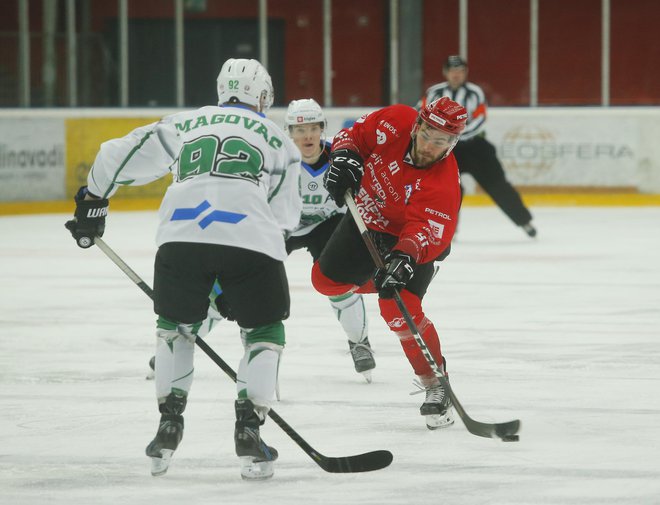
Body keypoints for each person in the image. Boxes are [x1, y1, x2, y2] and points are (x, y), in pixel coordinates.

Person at [64, 58, 302, 480]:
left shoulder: (186, 123)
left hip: (181, 237)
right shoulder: (282, 142)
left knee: (175, 328)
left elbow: (112, 156)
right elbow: (284, 219)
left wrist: (93, 203)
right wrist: (243, 277)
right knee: (264, 332)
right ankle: (249, 433)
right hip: (251, 241)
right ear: (263, 96)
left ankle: (167, 427)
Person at [311, 97, 467, 430]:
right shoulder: (394, 120)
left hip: (405, 241)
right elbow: (352, 136)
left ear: (452, 143)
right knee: (324, 281)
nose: (429, 146)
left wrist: (405, 257)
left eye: (441, 141)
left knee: (400, 309)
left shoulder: (442, 184)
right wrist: (345, 158)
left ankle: (435, 383)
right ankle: (379, 285)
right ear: (417, 125)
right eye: (427, 134)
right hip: (364, 218)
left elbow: (427, 232)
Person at [284, 98, 375, 382]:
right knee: (241, 274)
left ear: (323, 128)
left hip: (328, 224)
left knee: (337, 281)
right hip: (283, 226)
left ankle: (359, 342)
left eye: (313, 128)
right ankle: (186, 335)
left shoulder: (341, 154)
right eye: (299, 130)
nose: (307, 135)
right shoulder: (277, 158)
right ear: (289, 133)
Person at [419, 55, 537, 237]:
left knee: (497, 184)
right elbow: (422, 114)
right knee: (447, 189)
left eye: (460, 71)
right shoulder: (434, 92)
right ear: (445, 73)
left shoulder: (474, 92)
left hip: (475, 147)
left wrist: (456, 134)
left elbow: (480, 118)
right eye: (452, 71)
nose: (456, 75)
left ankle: (524, 221)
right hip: (446, 149)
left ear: (465, 73)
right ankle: (447, 230)